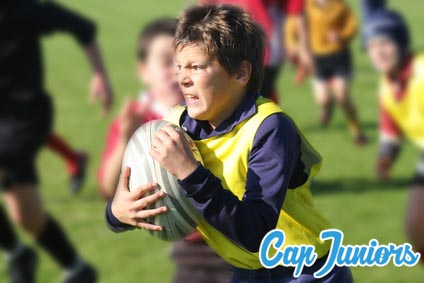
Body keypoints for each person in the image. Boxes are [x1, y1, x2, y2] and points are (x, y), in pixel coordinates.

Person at [107, 4, 353, 282]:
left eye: (196, 67)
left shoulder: (269, 127)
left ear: (240, 74)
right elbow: (140, 198)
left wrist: (190, 173)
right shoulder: (176, 124)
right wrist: (119, 212)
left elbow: (257, 234)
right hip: (247, 271)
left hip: (306, 271)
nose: (183, 79)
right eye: (179, 67)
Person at [98, 18, 231, 282]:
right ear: (143, 70)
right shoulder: (137, 123)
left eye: (186, 64)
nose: (177, 72)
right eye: (166, 61)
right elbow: (108, 188)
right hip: (192, 251)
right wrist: (124, 139)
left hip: (241, 240)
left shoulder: (220, 111)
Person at [0, 0, 113, 282]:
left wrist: (99, 75)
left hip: (26, 121)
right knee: (27, 215)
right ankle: (74, 268)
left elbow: (82, 27)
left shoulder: (21, 10)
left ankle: (18, 254)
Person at [363, 9, 424, 263]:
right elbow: (391, 132)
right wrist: (385, 159)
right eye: (372, 46)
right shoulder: (386, 86)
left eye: (385, 43)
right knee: (416, 228)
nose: (379, 52)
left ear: (400, 42)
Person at [200, 0, 310, 102]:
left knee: (256, 91)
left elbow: (294, 8)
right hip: (224, 36)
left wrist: (301, 46)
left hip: (263, 42)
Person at [305, 0, 367, 145]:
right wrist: (296, 48)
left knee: (342, 96)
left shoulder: (340, 6)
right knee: (323, 99)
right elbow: (295, 27)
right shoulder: (307, 6)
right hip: (317, 58)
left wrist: (341, 35)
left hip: (339, 55)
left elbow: (352, 27)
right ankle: (327, 108)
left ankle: (356, 130)